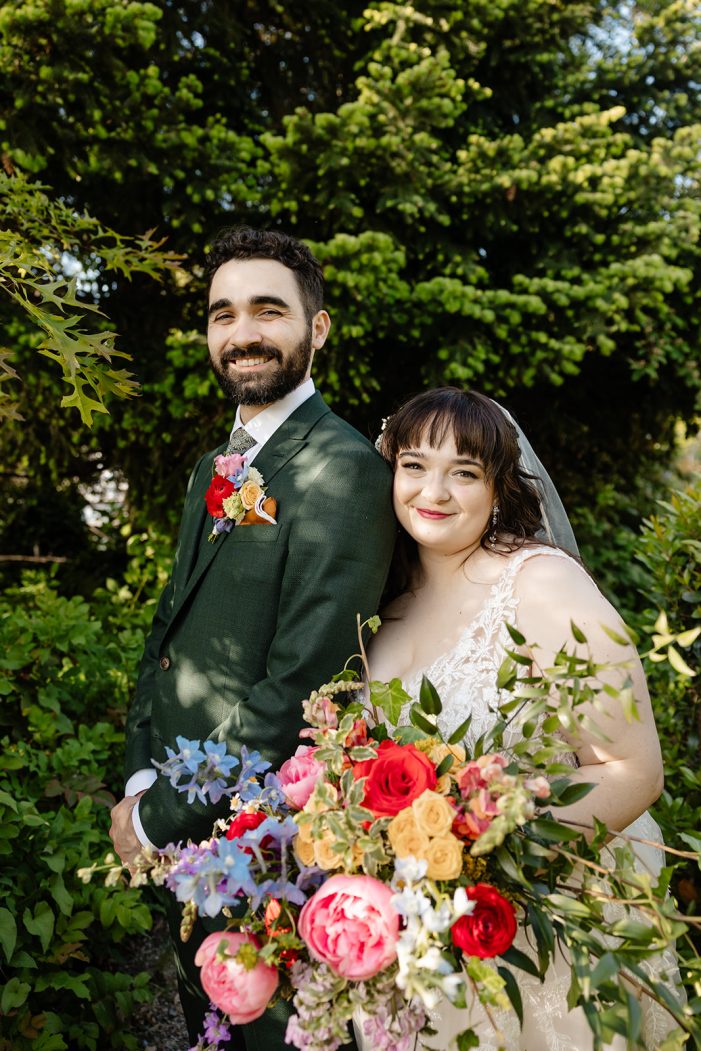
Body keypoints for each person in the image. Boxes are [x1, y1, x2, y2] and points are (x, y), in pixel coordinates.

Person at [108, 227, 399, 1051]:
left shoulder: (344, 471)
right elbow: (169, 628)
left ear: (318, 327)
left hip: (264, 845)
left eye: (268, 310)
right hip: (177, 816)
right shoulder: (215, 466)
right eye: (222, 313)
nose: (242, 333)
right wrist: (139, 772)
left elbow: (308, 681)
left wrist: (159, 813)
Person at [363, 386, 679, 1051]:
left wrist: (486, 850)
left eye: (465, 471)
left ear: (499, 486)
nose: (434, 490)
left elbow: (634, 770)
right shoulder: (381, 610)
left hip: (538, 934)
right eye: (414, 464)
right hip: (421, 946)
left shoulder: (540, 584)